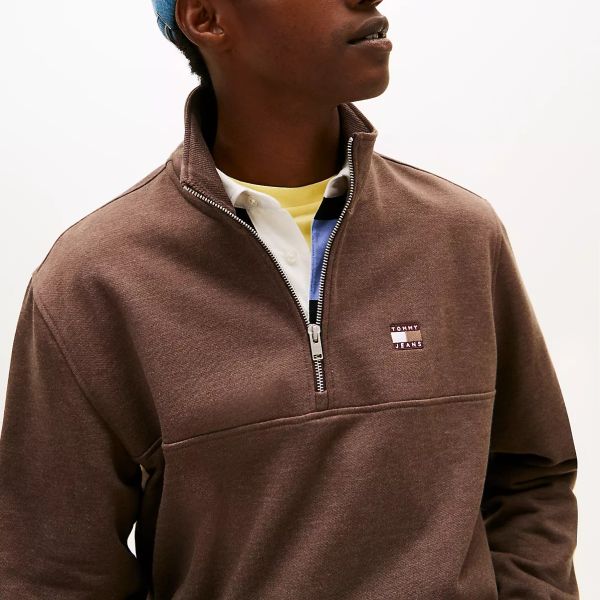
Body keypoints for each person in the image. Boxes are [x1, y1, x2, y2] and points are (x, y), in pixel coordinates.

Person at [0, 0, 579, 598]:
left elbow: (531, 475)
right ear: (207, 18)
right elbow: (53, 571)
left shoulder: (460, 235)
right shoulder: (94, 282)